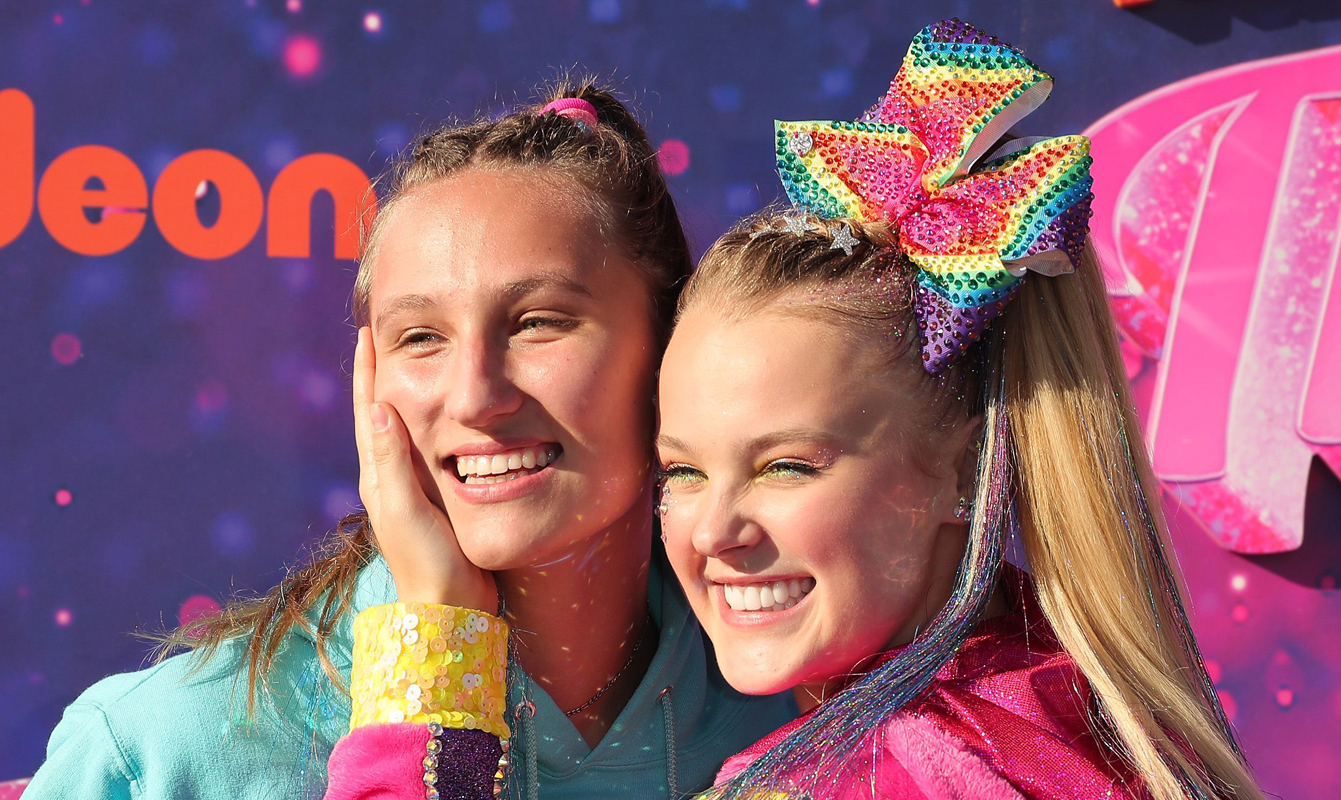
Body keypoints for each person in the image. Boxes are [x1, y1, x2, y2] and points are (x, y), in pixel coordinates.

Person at [24, 83, 794, 800]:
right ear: (370, 382)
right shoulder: (164, 754)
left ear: (668, 346)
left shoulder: (810, 703)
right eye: (420, 337)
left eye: (538, 322)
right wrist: (438, 649)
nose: (474, 396)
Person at [653, 20, 1266, 800]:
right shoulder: (1092, 722)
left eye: (785, 466)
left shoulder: (837, 783)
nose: (712, 532)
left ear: (965, 470)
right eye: (683, 470)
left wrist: (449, 646)